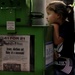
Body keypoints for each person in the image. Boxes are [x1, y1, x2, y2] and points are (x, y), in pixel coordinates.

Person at [46, 1, 74, 75]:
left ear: (58, 15)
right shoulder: (54, 27)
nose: (47, 17)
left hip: (67, 62)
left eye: (49, 14)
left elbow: (57, 41)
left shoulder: (67, 26)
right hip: (57, 61)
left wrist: (55, 27)